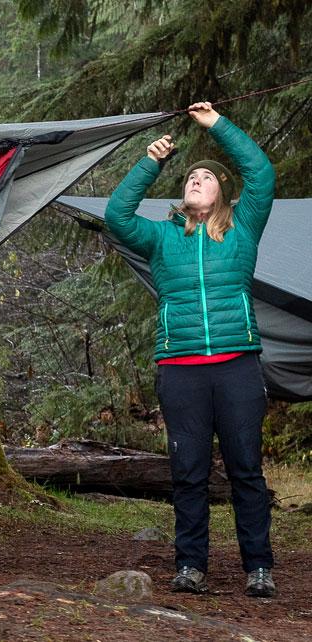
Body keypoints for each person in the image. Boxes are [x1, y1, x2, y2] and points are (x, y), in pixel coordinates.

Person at [104, 102, 277, 598]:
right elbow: (117, 215)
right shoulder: (161, 238)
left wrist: (217, 126)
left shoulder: (243, 227)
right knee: (188, 472)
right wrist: (150, 162)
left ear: (222, 190)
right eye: (191, 176)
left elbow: (260, 172)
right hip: (180, 370)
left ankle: (259, 568)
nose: (197, 179)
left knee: (246, 468)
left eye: (206, 175)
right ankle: (191, 565)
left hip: (237, 365)